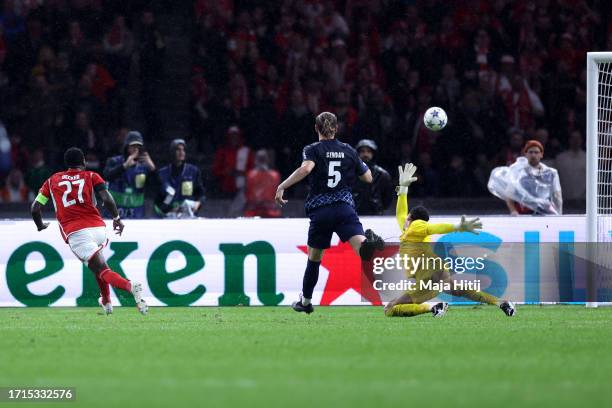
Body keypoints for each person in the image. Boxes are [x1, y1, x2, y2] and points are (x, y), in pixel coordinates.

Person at [275, 112, 385, 314]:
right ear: (336, 129)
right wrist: (354, 165)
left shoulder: (312, 149)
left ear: (316, 128)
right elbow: (369, 178)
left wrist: (282, 185)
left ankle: (306, 302)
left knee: (314, 258)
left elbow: (306, 169)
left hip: (322, 210)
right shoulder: (349, 150)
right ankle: (368, 243)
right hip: (344, 208)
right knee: (361, 249)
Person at [384, 163, 516, 318]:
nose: (404, 219)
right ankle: (501, 303)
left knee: (391, 308)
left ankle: (434, 307)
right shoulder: (408, 229)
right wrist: (403, 189)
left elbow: (435, 228)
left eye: (407, 218)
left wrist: (457, 226)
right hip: (436, 270)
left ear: (411, 218)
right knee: (461, 290)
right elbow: (400, 213)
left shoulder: (416, 226)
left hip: (429, 275)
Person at [30, 147, 147, 315]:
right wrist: (116, 219)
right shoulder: (92, 176)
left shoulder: (52, 180)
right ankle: (106, 301)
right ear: (83, 162)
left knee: (101, 269)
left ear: (66, 164)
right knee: (98, 266)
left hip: (77, 232)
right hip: (98, 228)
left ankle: (130, 286)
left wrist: (40, 225)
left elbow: (35, 208)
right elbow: (106, 198)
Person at [103, 131, 156, 219]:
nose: (136, 149)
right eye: (133, 146)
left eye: (138, 146)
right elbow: (106, 176)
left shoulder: (146, 166)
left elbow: (156, 187)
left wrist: (153, 169)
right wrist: (124, 166)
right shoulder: (114, 161)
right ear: (127, 146)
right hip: (114, 214)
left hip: (136, 215)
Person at [504, 140, 562, 215]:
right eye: (530, 152)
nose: (533, 155)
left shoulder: (551, 173)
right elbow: (509, 196)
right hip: (523, 215)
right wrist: (513, 211)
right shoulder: (517, 172)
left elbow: (557, 197)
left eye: (536, 152)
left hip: (544, 214)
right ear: (526, 154)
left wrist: (559, 215)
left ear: (541, 154)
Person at [155, 139, 205, 218]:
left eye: (183, 150)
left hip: (188, 216)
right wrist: (171, 210)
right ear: (172, 152)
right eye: (178, 150)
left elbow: (201, 194)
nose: (181, 152)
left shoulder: (193, 171)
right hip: (169, 217)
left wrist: (198, 204)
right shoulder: (162, 173)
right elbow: (158, 202)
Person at [352, 139, 393, 215]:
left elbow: (388, 199)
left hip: (376, 214)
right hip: (355, 214)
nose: (365, 154)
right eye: (362, 151)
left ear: (373, 153)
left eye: (368, 151)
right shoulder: (351, 173)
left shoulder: (382, 174)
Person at [244, 149, 281, 217]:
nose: (262, 160)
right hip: (253, 211)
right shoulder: (250, 175)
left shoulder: (275, 176)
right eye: (260, 158)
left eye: (263, 158)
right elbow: (247, 195)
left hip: (270, 211)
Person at [555, 130, 586, 200]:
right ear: (569, 140)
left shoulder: (588, 158)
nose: (576, 141)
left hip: (583, 200)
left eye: (578, 138)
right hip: (565, 198)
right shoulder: (560, 158)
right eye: (573, 138)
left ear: (581, 140)